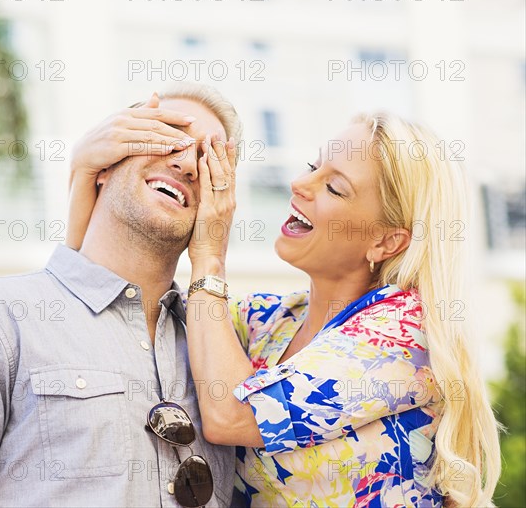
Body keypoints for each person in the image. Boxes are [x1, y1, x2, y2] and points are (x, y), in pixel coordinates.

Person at [66, 109, 501, 507]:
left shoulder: (405, 337)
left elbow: (230, 415)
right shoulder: (269, 321)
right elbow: (126, 306)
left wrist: (209, 258)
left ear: (386, 242)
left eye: (333, 187)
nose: (299, 184)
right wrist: (86, 173)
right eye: (313, 168)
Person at [0, 84, 242, 507]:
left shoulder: (227, 346)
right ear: (105, 164)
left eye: (210, 160)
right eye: (166, 137)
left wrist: (211, 260)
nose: (187, 163)